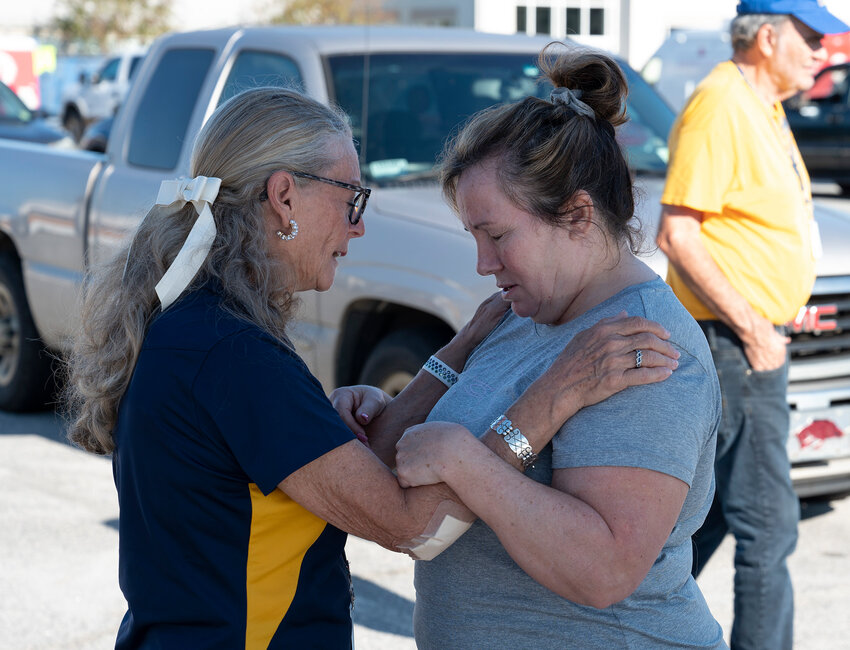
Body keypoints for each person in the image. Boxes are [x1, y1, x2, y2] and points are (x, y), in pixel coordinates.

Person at [63, 86, 679, 648]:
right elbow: (413, 526)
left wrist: (458, 349)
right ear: (284, 197)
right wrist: (557, 391)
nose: (357, 228)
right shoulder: (233, 357)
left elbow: (356, 475)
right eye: (351, 199)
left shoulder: (201, 330)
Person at [332, 47, 726, 648]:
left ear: (576, 214)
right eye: (474, 236)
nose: (483, 263)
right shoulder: (522, 314)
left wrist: (467, 462)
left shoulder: (641, 347)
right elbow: (389, 472)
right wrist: (451, 357)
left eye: (496, 236)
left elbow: (604, 572)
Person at [656, 2, 849, 648]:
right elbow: (678, 234)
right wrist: (755, 325)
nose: (823, 50)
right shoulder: (721, 105)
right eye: (812, 37)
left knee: (701, 515)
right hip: (736, 342)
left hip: (748, 339)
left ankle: (621, 622)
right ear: (767, 38)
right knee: (768, 525)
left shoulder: (760, 105)